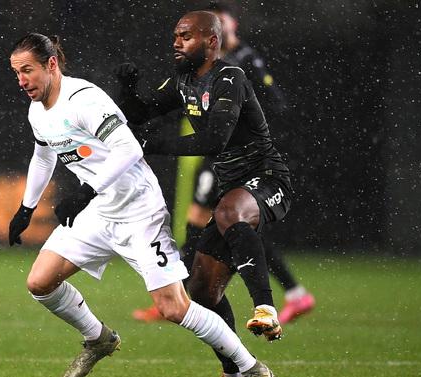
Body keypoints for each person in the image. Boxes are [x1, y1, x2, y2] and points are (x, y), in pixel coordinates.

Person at [8, 33, 275, 377]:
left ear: (51, 64)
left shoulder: (83, 99)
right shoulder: (37, 110)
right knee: (39, 283)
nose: (21, 80)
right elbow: (43, 156)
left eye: (27, 70)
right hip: (97, 212)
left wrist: (85, 191)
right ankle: (98, 339)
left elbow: (129, 148)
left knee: (173, 308)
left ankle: (252, 368)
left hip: (138, 211)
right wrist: (26, 208)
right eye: (16, 73)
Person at [114, 10, 290, 377]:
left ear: (211, 42)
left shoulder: (230, 77)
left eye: (186, 36)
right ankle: (236, 376)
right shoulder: (183, 81)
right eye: (176, 35)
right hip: (231, 188)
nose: (176, 42)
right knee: (202, 290)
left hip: (267, 177)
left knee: (227, 211)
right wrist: (127, 88)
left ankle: (266, 308)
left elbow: (214, 140)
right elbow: (139, 114)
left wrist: (152, 144)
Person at [132, 0, 314, 326]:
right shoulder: (195, 72)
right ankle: (188, 297)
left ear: (227, 29)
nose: (182, 42)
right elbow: (158, 107)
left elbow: (276, 104)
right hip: (220, 159)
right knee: (222, 225)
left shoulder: (241, 63)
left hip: (245, 159)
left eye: (218, 23)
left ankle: (188, 297)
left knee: (227, 218)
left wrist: (241, 120)